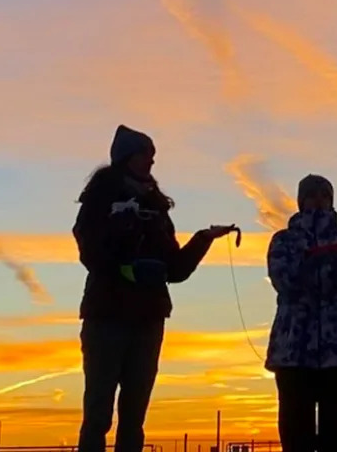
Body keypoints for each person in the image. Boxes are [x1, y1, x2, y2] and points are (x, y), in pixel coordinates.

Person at [73, 125, 236, 452]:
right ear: (126, 158)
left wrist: (204, 239)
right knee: (98, 413)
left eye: (152, 156)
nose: (150, 162)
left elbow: (175, 270)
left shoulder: (157, 208)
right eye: (145, 155)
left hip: (149, 320)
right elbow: (91, 255)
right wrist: (121, 229)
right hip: (106, 317)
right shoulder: (99, 200)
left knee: (134, 416)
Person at [265, 174, 337, 452]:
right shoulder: (283, 241)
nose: (319, 202)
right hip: (293, 353)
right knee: (296, 435)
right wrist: (312, 261)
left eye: (325, 196)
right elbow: (283, 281)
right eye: (312, 196)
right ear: (300, 202)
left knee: (336, 437)